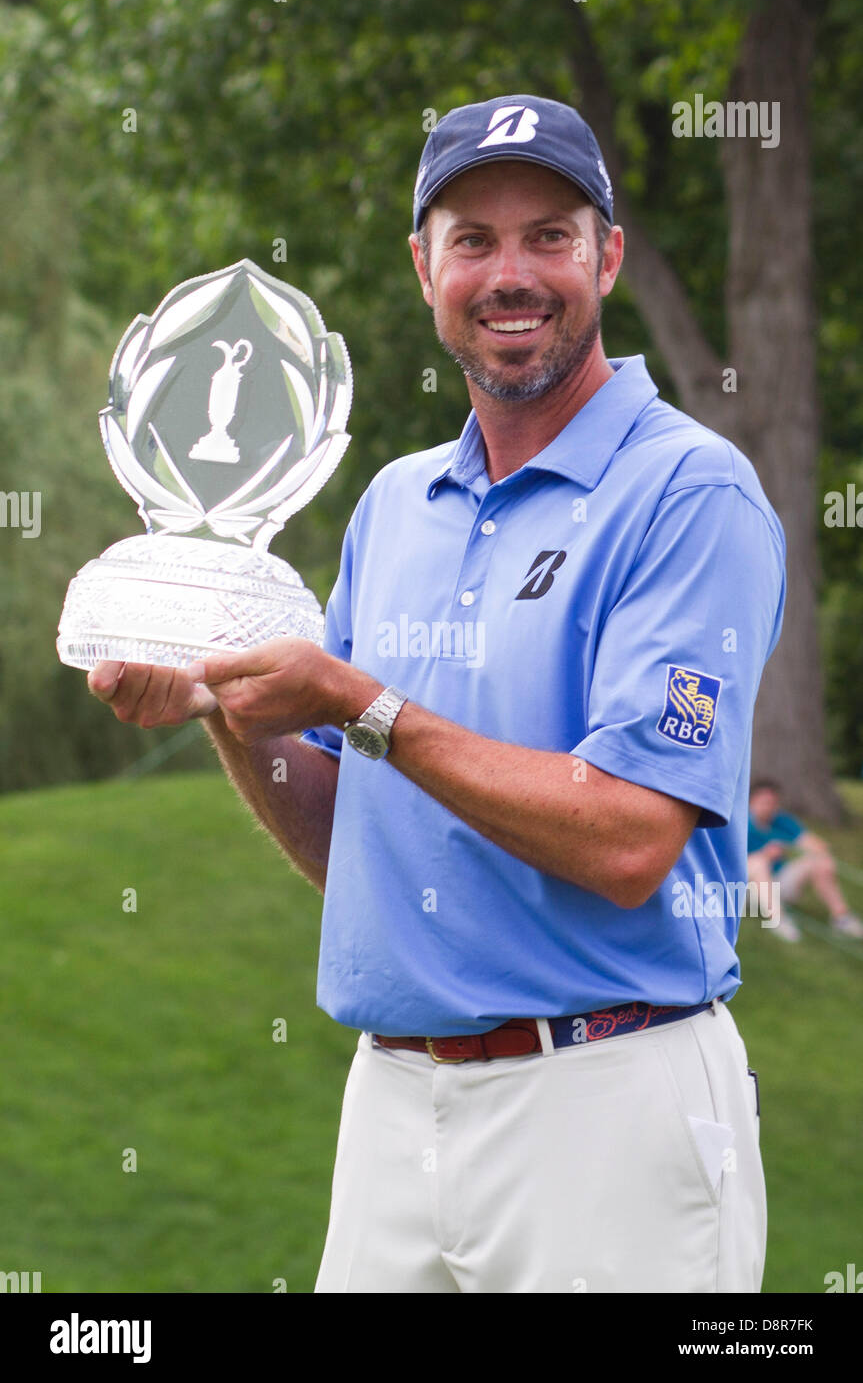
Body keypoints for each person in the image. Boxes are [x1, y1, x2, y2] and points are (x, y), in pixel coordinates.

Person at [88, 94, 787, 1293]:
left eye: (547, 236)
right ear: (424, 269)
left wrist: (360, 703)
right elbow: (355, 842)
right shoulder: (391, 505)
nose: (510, 274)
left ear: (605, 255)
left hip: (607, 1103)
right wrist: (229, 714)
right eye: (472, 239)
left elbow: (627, 838)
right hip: (390, 1108)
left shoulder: (688, 493)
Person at [747, 778, 863, 943]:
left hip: (780, 882)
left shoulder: (782, 821)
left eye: (773, 802)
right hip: (744, 889)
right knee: (758, 863)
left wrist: (792, 847)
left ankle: (842, 918)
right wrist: (765, 854)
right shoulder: (740, 823)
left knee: (821, 861)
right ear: (751, 801)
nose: (769, 807)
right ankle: (777, 919)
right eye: (764, 802)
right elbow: (729, 862)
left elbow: (818, 845)